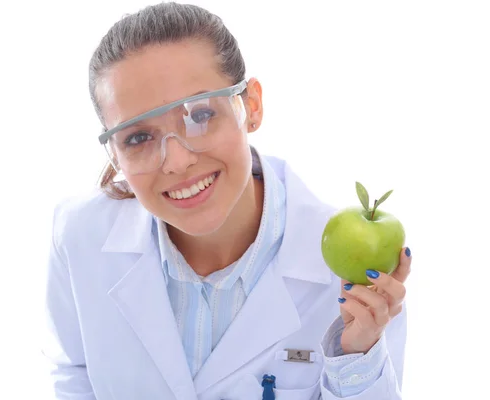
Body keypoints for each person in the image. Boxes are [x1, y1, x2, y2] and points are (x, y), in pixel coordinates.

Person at [41, 2, 412, 399]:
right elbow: (74, 377)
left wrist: (355, 357)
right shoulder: (79, 236)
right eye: (138, 138)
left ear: (250, 105)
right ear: (114, 154)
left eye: (200, 114)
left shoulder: (347, 269)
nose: (178, 161)